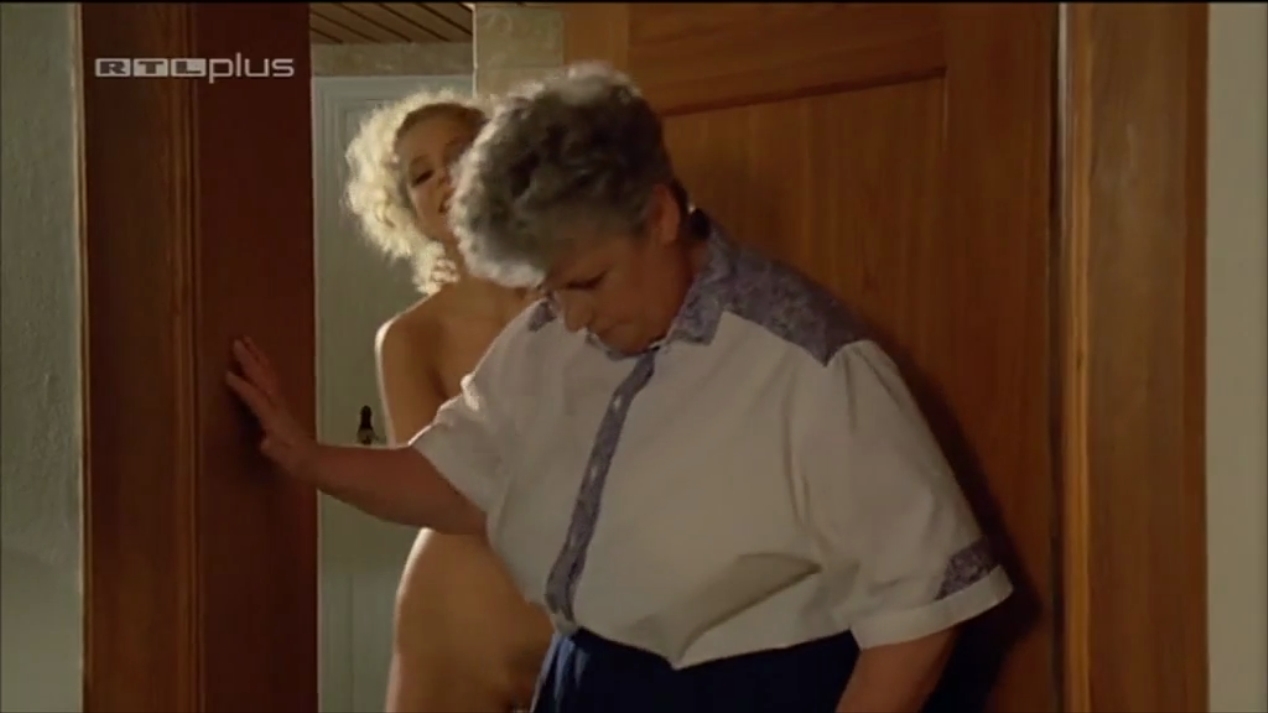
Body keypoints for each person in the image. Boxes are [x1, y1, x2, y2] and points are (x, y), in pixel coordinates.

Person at [228, 63, 1013, 712]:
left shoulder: (806, 359)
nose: (568, 318)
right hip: (587, 678)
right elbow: (460, 476)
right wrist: (308, 458)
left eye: (588, 282)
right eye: (549, 287)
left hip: (747, 689)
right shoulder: (548, 333)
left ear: (660, 215)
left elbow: (922, 614)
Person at [342, 88, 552, 712]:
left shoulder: (582, 295)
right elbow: (429, 488)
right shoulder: (411, 338)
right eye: (420, 175)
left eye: (459, 155)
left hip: (588, 604)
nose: (443, 179)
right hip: (458, 616)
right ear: (408, 211)